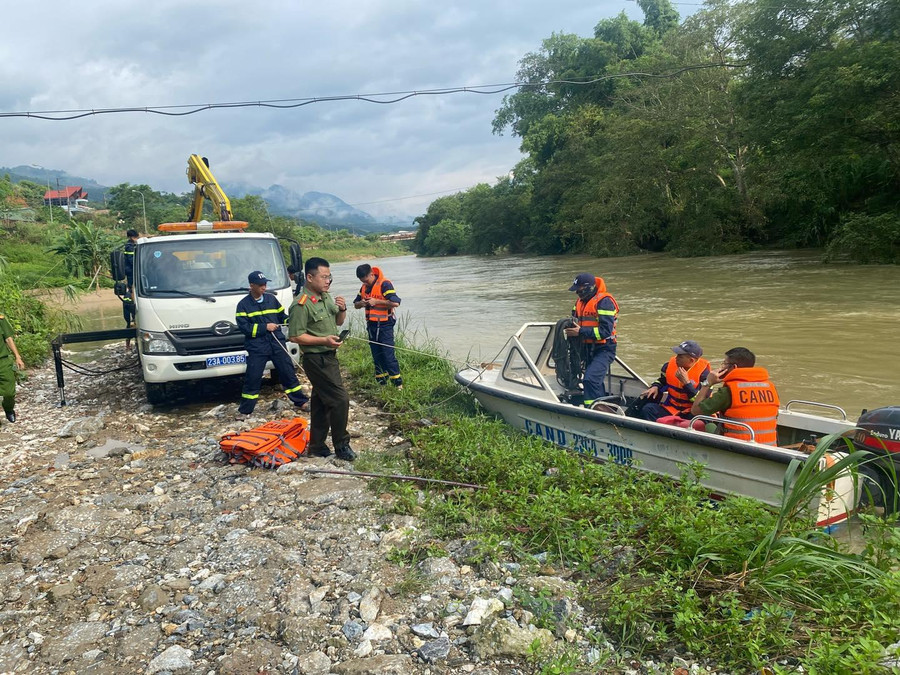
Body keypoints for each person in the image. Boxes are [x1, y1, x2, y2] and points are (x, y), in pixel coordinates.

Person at [288, 258, 356, 461]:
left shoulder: (325, 297)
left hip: (329, 356)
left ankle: (317, 445)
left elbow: (338, 320)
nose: (328, 281)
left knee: (320, 402)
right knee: (340, 400)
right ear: (310, 277)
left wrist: (342, 309)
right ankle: (342, 445)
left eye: (329, 277)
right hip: (316, 359)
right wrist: (323, 340)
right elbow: (295, 336)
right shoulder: (301, 305)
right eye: (324, 277)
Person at [235, 270, 309, 416]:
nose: (264, 287)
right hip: (257, 347)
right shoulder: (243, 305)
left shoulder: (271, 299)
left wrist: (294, 321)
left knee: (288, 372)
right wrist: (265, 327)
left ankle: (301, 401)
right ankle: (245, 411)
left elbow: (282, 317)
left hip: (277, 343)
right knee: (253, 377)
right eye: (261, 285)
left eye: (265, 284)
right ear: (252, 285)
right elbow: (245, 328)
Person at [691, 347, 780, 446]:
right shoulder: (770, 387)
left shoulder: (730, 391)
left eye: (724, 364)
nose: (722, 367)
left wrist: (708, 383)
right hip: (769, 446)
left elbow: (696, 410)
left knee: (708, 425)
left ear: (734, 367)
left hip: (737, 447)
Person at [563, 273, 619, 407]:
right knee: (594, 381)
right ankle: (601, 407)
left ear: (589, 287)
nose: (577, 292)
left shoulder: (604, 302)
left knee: (590, 380)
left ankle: (593, 410)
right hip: (587, 349)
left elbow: (605, 332)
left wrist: (580, 331)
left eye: (579, 289)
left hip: (604, 349)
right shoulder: (579, 302)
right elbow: (574, 320)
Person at [634, 340, 710, 424]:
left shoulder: (705, 376)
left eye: (680, 356)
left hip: (690, 412)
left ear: (691, 360)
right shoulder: (668, 365)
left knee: (700, 421)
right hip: (671, 408)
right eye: (677, 355)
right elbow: (662, 380)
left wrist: (686, 383)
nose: (676, 358)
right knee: (648, 409)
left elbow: (701, 402)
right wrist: (655, 386)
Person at [353, 263, 403, 388]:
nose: (366, 283)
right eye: (362, 281)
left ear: (371, 274)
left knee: (388, 353)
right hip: (372, 325)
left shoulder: (384, 284)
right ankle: (382, 383)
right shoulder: (364, 287)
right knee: (376, 354)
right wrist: (362, 303)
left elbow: (396, 303)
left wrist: (377, 301)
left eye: (367, 280)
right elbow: (355, 304)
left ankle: (398, 384)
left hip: (385, 325)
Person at [0, 313, 26, 424]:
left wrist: (17, 357)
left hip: (2, 360)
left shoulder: (0, 319)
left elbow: (8, 338)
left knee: (9, 392)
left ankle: (9, 409)